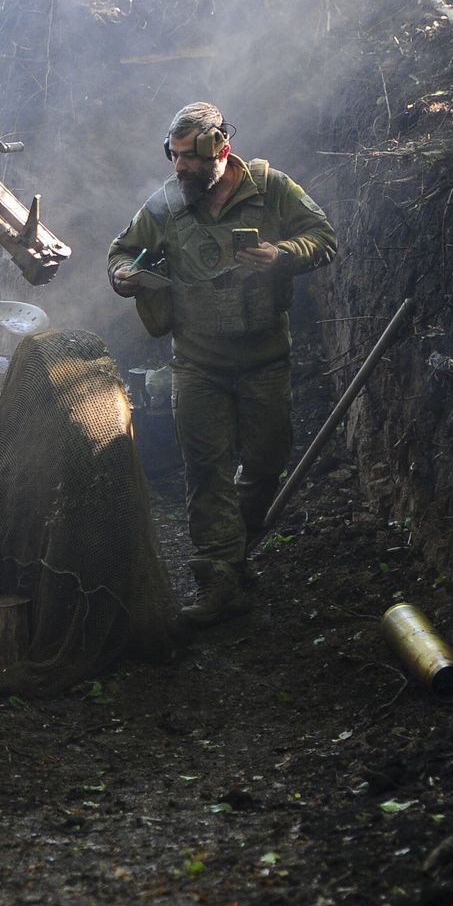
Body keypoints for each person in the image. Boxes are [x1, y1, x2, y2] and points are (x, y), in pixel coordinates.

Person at [108, 103, 338, 626]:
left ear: (222, 150)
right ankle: (217, 579)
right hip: (197, 363)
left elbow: (324, 239)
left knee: (264, 463)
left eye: (191, 157)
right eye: (175, 156)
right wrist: (124, 274)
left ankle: (232, 553)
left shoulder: (271, 189)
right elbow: (122, 251)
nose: (181, 168)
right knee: (206, 470)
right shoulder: (166, 204)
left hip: (264, 360)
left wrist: (282, 254)